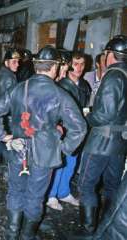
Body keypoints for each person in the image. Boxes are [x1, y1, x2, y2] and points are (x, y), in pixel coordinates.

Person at [0, 46, 87, 239]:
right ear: (55, 68)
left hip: (18, 150)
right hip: (45, 155)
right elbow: (80, 128)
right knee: (35, 197)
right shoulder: (60, 94)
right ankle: (26, 236)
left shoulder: (18, 87)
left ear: (35, 66)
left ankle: (11, 233)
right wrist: (63, 148)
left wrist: (4, 136)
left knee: (15, 192)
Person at [71, 35, 127, 240]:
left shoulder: (113, 75)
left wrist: (87, 116)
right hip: (120, 143)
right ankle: (106, 229)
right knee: (112, 186)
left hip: (101, 142)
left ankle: (87, 231)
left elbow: (104, 114)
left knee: (86, 185)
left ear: (110, 54)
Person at [46, 51, 91, 211]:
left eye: (82, 64)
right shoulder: (61, 85)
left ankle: (63, 192)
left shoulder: (85, 85)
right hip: (64, 130)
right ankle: (51, 195)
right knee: (59, 163)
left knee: (71, 163)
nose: (79, 68)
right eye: (76, 64)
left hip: (77, 132)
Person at [0, 48, 20, 177]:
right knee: (9, 145)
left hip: (2, 115)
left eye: (18, 62)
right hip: (7, 116)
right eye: (14, 62)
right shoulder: (7, 78)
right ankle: (8, 172)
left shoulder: (4, 74)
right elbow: (8, 102)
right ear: (6, 62)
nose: (17, 64)